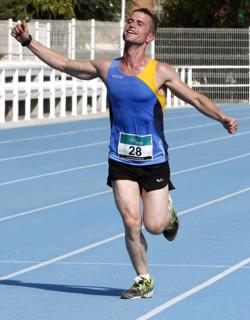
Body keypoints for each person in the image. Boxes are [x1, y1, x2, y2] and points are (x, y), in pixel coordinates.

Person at [11, 8, 238, 299]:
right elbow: (66, 64)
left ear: (150, 36)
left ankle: (167, 211)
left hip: (154, 161)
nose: (132, 25)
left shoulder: (160, 72)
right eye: (130, 21)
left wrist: (221, 117)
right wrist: (29, 41)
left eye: (139, 23)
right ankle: (143, 278)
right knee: (131, 221)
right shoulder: (108, 68)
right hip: (120, 160)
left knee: (154, 226)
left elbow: (194, 97)